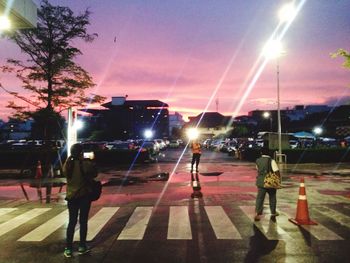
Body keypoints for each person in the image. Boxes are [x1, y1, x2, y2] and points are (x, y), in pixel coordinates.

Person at [63, 143, 98, 258]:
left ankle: (68, 248)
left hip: (71, 197)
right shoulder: (85, 164)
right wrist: (90, 160)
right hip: (84, 196)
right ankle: (82, 246)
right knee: (83, 222)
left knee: (71, 222)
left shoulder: (67, 165)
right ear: (81, 153)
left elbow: (66, 173)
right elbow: (95, 173)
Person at [254, 147, 280, 221]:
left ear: (261, 153)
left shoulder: (257, 160)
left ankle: (257, 213)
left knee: (260, 198)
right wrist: (278, 181)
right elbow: (276, 171)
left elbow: (258, 170)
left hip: (260, 182)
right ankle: (273, 212)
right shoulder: (271, 160)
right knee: (272, 197)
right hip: (270, 182)